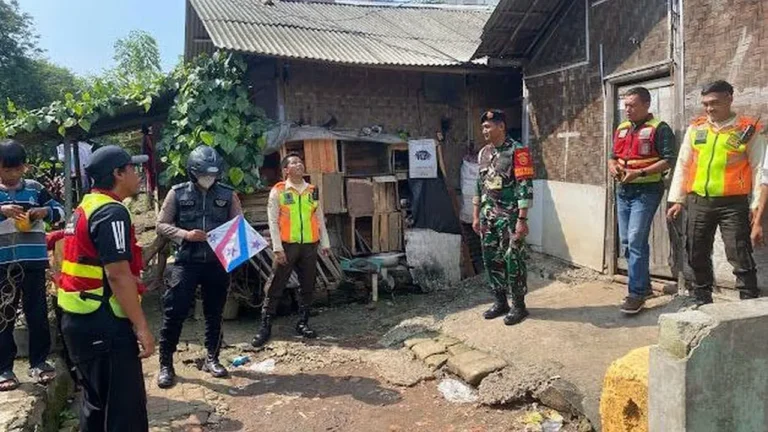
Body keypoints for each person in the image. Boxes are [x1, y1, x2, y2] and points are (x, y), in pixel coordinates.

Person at [58, 145, 153, 431]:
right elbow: (117, 276)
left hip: (78, 319)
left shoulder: (84, 208)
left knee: (96, 404)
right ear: (117, 173)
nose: (137, 175)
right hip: (103, 323)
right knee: (124, 410)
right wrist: (142, 328)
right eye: (132, 169)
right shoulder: (111, 212)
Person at [667, 80, 765, 305]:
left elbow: (760, 169)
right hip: (698, 201)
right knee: (696, 253)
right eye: (705, 104)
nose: (709, 108)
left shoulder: (747, 130)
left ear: (730, 98)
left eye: (715, 103)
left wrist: (756, 206)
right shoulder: (697, 128)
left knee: (739, 254)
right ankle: (702, 300)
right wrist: (678, 200)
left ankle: (749, 305)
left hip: (733, 204)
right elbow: (683, 164)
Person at [155, 145, 242, 388]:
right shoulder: (177, 193)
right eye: (204, 174)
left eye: (212, 175)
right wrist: (185, 234)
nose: (208, 179)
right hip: (186, 262)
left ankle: (212, 358)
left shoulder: (228, 194)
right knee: (175, 312)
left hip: (216, 263)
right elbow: (161, 224)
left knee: (215, 313)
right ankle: (165, 364)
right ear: (193, 172)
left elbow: (238, 225)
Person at [0, 139, 64, 391]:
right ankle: (4, 368)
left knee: (36, 312)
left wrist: (44, 213)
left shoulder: (36, 189)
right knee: (4, 314)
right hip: (3, 264)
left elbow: (59, 211)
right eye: (7, 170)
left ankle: (39, 361)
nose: (13, 175)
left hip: (34, 261)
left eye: (18, 170)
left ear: (25, 167)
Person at [608, 87, 676, 314]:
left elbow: (669, 160)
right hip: (623, 190)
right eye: (625, 105)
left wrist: (641, 173)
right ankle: (645, 287)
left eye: (632, 105)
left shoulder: (660, 128)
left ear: (647, 105)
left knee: (636, 240)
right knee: (627, 241)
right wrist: (614, 167)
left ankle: (635, 294)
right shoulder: (622, 128)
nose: (627, 109)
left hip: (647, 190)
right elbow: (612, 157)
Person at [252, 153, 331, 347]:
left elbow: (319, 217)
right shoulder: (278, 191)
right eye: (294, 163)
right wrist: (277, 248)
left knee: (308, 284)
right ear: (286, 170)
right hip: (287, 245)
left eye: (300, 162)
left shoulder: (312, 190)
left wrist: (325, 243)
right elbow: (272, 220)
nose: (299, 165)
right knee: (276, 283)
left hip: (310, 245)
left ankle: (303, 322)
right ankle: (265, 326)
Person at [472, 110, 534, 326]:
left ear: (501, 127)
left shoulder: (518, 151)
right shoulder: (483, 153)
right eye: (483, 127)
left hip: (509, 217)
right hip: (487, 216)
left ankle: (519, 305)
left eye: (488, 127)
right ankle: (500, 301)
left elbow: (524, 187)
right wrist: (476, 215)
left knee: (513, 260)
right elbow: (479, 185)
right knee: (491, 260)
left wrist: (522, 219)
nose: (484, 131)